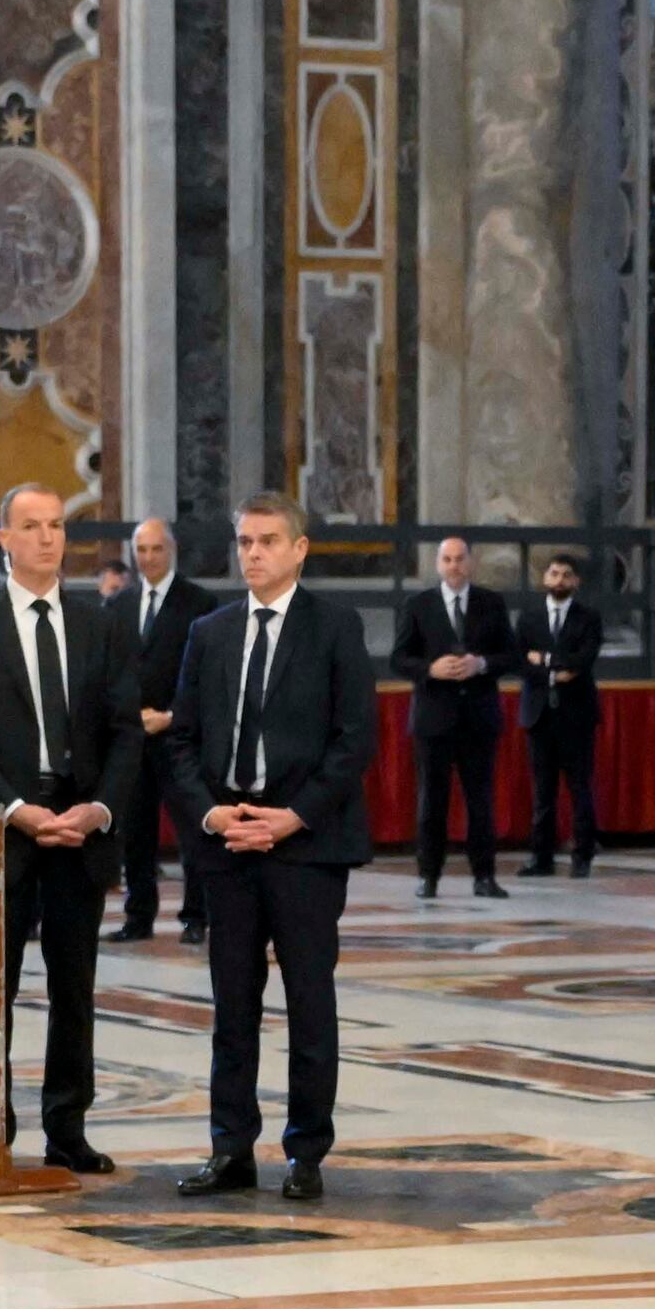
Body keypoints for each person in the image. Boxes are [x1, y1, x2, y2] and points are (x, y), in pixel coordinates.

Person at [0, 479, 138, 1173]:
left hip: (80, 831)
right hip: (6, 830)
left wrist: (99, 809)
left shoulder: (99, 624)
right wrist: (19, 811)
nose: (48, 537)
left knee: (74, 986)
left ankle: (67, 1126)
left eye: (57, 525)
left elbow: (125, 731)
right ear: (5, 538)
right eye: (33, 525)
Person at [171, 496, 372, 1199]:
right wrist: (211, 815)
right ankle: (230, 1149)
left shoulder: (336, 628)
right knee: (234, 1006)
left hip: (305, 846)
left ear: (299, 548)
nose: (252, 553)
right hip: (229, 844)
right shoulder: (212, 631)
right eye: (244, 541)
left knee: (310, 1002)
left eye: (267, 541)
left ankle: (306, 1152)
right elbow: (183, 739)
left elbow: (354, 743)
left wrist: (292, 818)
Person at [119, 516, 224, 938]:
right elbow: (113, 673)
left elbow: (207, 677)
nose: (148, 558)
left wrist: (171, 717)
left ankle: (195, 917)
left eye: (156, 549)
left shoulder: (200, 603)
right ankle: (138, 917)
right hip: (134, 739)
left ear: (172, 551)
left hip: (180, 739)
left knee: (193, 832)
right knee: (135, 834)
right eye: (141, 550)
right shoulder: (119, 605)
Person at [396, 533, 513, 895]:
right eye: (447, 560)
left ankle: (484, 876)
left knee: (480, 800)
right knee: (432, 800)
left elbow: (510, 655)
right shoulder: (418, 604)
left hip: (478, 717)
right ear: (438, 565)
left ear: (471, 563)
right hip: (433, 719)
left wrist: (481, 663)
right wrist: (431, 669)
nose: (454, 566)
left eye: (460, 559)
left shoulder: (491, 603)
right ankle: (428, 876)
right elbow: (399, 658)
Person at [516, 550, 599, 876]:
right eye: (554, 573)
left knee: (580, 788)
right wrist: (554, 669)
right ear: (545, 578)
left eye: (566, 574)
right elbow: (519, 661)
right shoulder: (529, 618)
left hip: (577, 715)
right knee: (542, 791)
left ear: (575, 581)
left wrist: (545, 660)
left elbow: (583, 659)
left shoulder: (588, 617)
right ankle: (541, 857)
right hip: (539, 714)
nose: (560, 579)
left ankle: (582, 857)